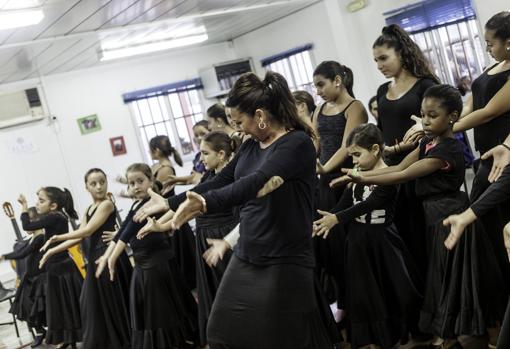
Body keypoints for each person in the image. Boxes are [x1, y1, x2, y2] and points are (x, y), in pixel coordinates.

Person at [133, 71, 335, 349]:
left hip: (286, 257)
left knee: (287, 338)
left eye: (239, 121)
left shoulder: (296, 144)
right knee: (220, 333)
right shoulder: (250, 145)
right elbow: (220, 180)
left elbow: (256, 182)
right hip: (249, 253)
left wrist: (205, 203)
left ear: (260, 115)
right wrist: (170, 202)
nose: (237, 130)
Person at [338, 85, 506, 348]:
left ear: (452, 116)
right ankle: (451, 337)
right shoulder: (429, 142)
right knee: (444, 280)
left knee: (461, 281)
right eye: (423, 115)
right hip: (433, 217)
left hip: (450, 216)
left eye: (432, 115)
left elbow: (405, 175)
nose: (425, 121)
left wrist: (361, 176)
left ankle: (482, 337)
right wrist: (361, 174)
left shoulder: (448, 149)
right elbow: (401, 165)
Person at [313, 124, 422, 349]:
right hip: (358, 240)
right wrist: (329, 217)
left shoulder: (389, 174)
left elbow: (370, 203)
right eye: (351, 155)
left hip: (382, 241)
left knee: (392, 288)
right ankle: (374, 337)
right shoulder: (358, 173)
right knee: (365, 292)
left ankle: (400, 334)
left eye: (356, 155)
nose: (353, 161)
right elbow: (347, 200)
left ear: (374, 149)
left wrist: (338, 219)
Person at [138, 131, 240, 347]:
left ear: (221, 154)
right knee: (213, 293)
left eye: (205, 153)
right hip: (205, 235)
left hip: (221, 236)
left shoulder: (228, 177)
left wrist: (165, 217)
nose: (201, 158)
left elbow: (191, 204)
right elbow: (187, 206)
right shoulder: (210, 176)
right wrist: (160, 224)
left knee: (228, 292)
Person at [98, 163, 198, 349]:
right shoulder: (137, 203)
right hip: (145, 262)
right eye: (131, 183)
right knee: (159, 307)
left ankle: (178, 340)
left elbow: (129, 230)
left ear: (151, 181)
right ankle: (179, 339)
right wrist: (110, 250)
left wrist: (111, 257)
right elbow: (127, 228)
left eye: (140, 181)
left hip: (156, 262)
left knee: (161, 308)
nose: (136, 186)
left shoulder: (153, 201)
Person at [39, 169, 132, 349]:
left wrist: (58, 237)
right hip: (95, 261)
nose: (99, 187)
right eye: (93, 183)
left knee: (112, 303)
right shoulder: (89, 208)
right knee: (94, 303)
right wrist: (51, 250)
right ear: (86, 187)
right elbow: (78, 237)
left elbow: (88, 231)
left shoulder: (106, 205)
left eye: (102, 182)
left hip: (108, 258)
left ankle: (123, 341)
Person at [312, 60, 368, 315]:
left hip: (346, 179)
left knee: (349, 243)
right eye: (315, 86)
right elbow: (315, 143)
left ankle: (359, 301)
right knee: (330, 247)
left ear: (337, 80)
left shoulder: (354, 107)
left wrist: (325, 168)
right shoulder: (319, 109)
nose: (318, 91)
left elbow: (348, 146)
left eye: (321, 84)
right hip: (324, 182)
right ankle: (344, 299)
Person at [19, 188, 83, 349]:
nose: (37, 204)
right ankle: (69, 338)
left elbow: (27, 225)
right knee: (65, 304)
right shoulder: (59, 216)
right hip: (60, 265)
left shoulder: (53, 217)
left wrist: (24, 207)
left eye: (41, 201)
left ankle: (72, 337)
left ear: (53, 205)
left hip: (59, 267)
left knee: (65, 304)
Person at [0, 207, 47, 347]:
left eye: (29, 222)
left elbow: (23, 252)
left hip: (41, 278)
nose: (26, 226)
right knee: (24, 305)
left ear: (36, 222)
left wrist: (4, 256)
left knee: (42, 307)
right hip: (29, 278)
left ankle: (50, 331)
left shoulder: (41, 237)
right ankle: (40, 331)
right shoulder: (33, 237)